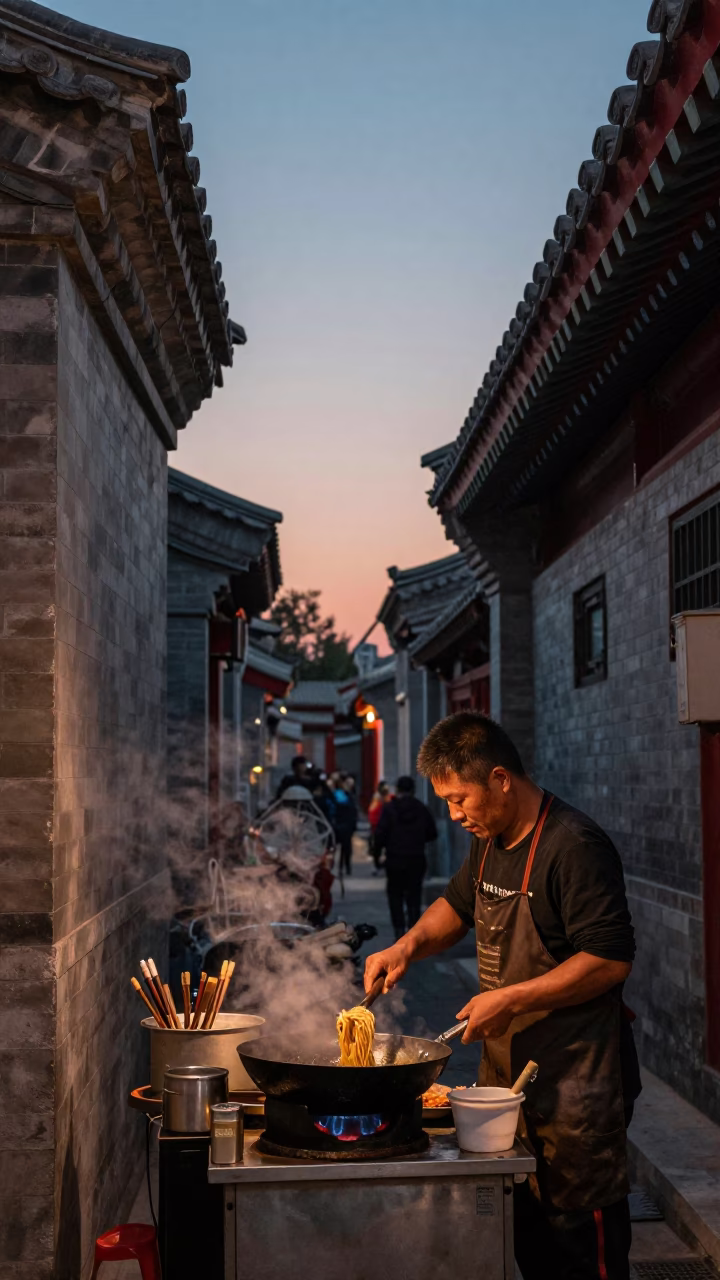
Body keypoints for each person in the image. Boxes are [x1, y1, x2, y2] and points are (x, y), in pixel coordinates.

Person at [364, 712, 640, 1280]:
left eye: (460, 798)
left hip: (576, 1084)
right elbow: (458, 908)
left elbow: (610, 959)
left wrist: (510, 999)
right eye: (445, 800)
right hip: (507, 1083)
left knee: (579, 1251)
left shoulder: (574, 846)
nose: (453, 814)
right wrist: (406, 947)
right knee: (530, 1244)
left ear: (500, 779)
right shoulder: (490, 841)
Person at [374, 777, 437, 937]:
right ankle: (413, 930)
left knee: (395, 895)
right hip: (416, 858)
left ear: (397, 789)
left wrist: (377, 856)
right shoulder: (421, 808)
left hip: (394, 859)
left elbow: (380, 835)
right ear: (413, 790)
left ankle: (399, 929)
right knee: (414, 895)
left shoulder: (389, 809)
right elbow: (432, 833)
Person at [332, 773, 358, 875]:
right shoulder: (340, 794)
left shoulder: (347, 794)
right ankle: (343, 867)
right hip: (342, 824)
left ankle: (344, 867)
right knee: (344, 848)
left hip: (345, 824)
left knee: (345, 849)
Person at [367, 781, 392, 874]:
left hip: (385, 828)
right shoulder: (377, 799)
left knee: (384, 849)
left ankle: (382, 865)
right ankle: (377, 866)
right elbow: (372, 814)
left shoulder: (388, 798)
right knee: (377, 849)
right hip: (378, 828)